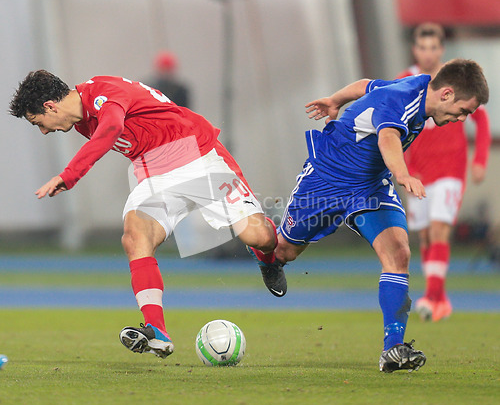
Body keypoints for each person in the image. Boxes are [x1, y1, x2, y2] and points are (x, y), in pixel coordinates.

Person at [9, 70, 286, 359]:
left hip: (199, 156)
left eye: (38, 122)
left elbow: (112, 129)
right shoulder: (81, 122)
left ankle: (268, 259)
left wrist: (69, 175)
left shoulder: (103, 92)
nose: (43, 130)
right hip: (155, 172)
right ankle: (157, 330)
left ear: (50, 107)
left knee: (259, 237)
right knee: (134, 237)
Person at [266, 59, 488, 373]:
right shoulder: (404, 100)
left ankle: (392, 349)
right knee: (284, 250)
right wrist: (403, 174)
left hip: (370, 185)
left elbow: (366, 85)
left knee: (399, 253)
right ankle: (267, 256)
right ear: (448, 94)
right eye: (464, 111)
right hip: (328, 176)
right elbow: (388, 138)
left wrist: (335, 100)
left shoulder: (419, 86)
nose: (462, 118)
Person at [397, 23, 491, 322]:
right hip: (419, 173)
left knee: (439, 230)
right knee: (425, 237)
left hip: (451, 169)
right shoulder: (406, 81)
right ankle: (439, 297)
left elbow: (483, 120)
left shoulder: (454, 80)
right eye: (422, 47)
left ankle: (432, 297)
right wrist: (405, 168)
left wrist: (480, 160)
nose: (428, 53)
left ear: (441, 49)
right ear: (415, 50)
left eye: (433, 47)